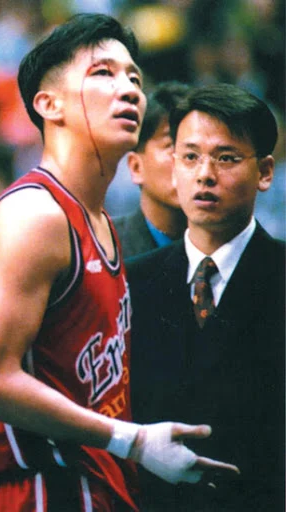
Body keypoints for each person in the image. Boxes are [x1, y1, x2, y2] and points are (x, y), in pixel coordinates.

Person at [0, 14, 238, 512]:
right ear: (49, 104)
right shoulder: (35, 216)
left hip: (101, 487)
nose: (129, 89)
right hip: (47, 491)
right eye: (103, 73)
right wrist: (133, 441)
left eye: (134, 77)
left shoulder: (103, 222)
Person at [127, 83, 285, 511]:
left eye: (226, 158)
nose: (204, 174)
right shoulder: (134, 281)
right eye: (190, 156)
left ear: (265, 172)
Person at [113, 81, 190, 258]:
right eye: (172, 145)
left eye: (196, 148)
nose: (189, 159)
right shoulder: (105, 249)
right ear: (136, 167)